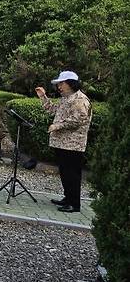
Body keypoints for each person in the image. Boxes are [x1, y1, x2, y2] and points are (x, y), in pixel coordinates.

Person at [35, 70, 92, 213]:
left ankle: (75, 204)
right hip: (61, 143)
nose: (59, 86)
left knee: (72, 174)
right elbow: (54, 110)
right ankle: (68, 198)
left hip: (73, 145)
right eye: (59, 84)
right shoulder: (66, 98)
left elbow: (79, 119)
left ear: (71, 84)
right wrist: (43, 97)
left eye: (62, 83)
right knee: (65, 172)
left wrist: (57, 125)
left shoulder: (80, 100)